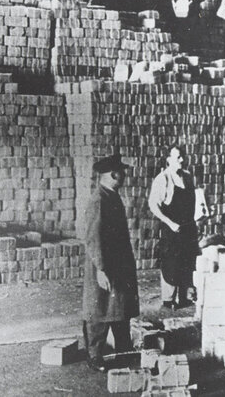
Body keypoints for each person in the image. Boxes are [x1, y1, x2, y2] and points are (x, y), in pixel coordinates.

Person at [83, 154, 138, 370]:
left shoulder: (111, 196)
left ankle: (124, 352)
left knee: (119, 307)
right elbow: (93, 237)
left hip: (118, 264)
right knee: (99, 310)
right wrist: (100, 269)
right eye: (121, 172)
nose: (124, 175)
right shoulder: (98, 200)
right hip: (105, 265)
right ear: (114, 174)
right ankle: (94, 355)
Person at [148, 145, 202, 309]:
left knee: (187, 262)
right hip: (172, 230)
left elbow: (196, 202)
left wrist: (201, 216)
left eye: (182, 156)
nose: (182, 160)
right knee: (171, 264)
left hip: (188, 228)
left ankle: (185, 298)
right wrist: (170, 223)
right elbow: (153, 205)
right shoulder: (163, 179)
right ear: (168, 160)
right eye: (177, 157)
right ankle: (168, 300)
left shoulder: (187, 177)